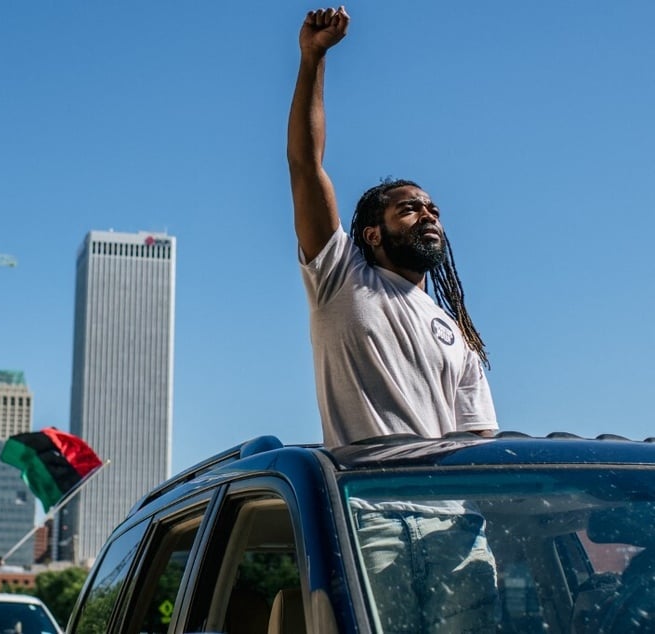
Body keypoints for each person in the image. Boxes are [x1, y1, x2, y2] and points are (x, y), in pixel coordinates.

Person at [287, 7, 500, 631]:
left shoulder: (456, 333)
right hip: (370, 516)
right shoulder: (341, 277)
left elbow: (479, 447)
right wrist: (313, 59)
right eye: (410, 209)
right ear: (372, 234)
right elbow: (306, 166)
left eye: (433, 208)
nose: (429, 215)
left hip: (459, 527)